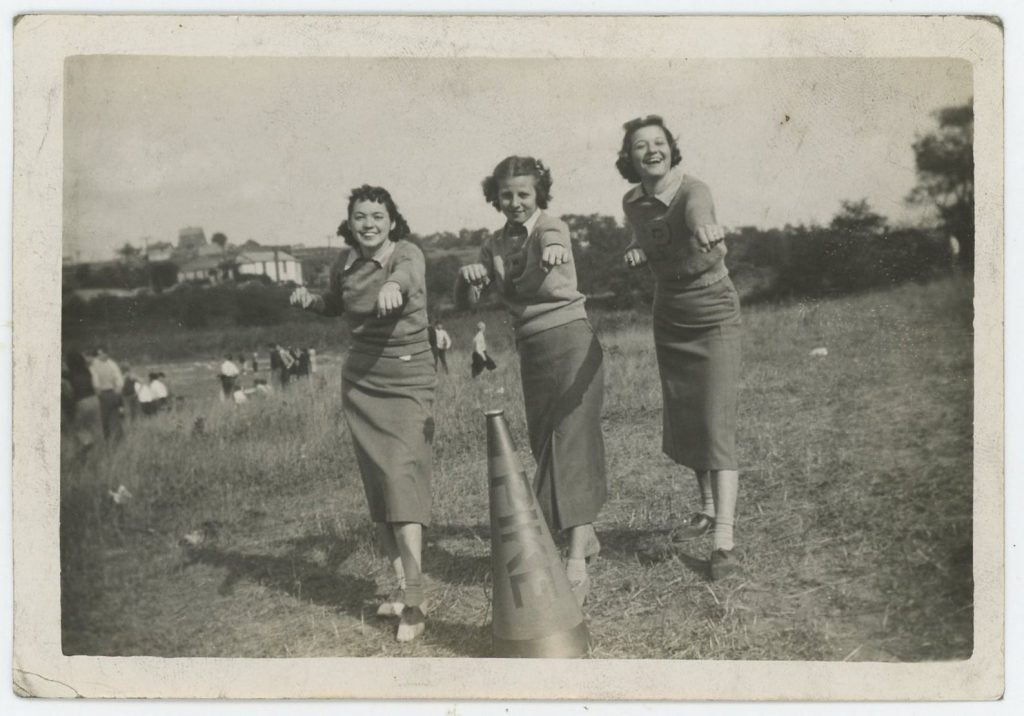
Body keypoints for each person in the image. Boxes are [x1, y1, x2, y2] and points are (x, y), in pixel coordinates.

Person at [457, 156, 606, 606]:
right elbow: (466, 304)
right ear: (495, 197)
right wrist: (468, 277)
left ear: (539, 193)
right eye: (507, 195)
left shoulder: (550, 227)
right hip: (532, 351)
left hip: (573, 342)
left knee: (571, 442)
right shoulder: (494, 245)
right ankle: (587, 535)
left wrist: (557, 250)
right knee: (546, 442)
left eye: (524, 193)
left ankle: (576, 562)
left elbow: (556, 241)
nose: (516, 202)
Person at [290, 185, 435, 642]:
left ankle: (415, 601)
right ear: (349, 223)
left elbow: (407, 276)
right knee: (381, 496)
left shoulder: (406, 254)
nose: (369, 224)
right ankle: (403, 589)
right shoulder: (346, 262)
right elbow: (334, 304)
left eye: (377, 216)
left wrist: (392, 285)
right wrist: (308, 300)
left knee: (401, 483)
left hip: (407, 378)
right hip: (361, 385)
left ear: (392, 220)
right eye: (360, 217)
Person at [617, 115, 742, 580]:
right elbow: (645, 236)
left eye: (659, 142)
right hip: (669, 314)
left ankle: (724, 542)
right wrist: (635, 249)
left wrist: (708, 230)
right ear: (629, 159)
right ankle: (706, 507)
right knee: (688, 414)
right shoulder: (633, 201)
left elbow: (699, 219)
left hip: (712, 310)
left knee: (715, 421)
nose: (651, 151)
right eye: (640, 146)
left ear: (671, 148)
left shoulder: (694, 191)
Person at [65, 351, 102, 452]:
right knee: (95, 425)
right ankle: (99, 452)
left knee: (78, 427)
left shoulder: (70, 374)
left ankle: (87, 442)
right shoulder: (87, 371)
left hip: (81, 401)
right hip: (94, 400)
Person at [90, 346, 124, 442]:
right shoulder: (108, 364)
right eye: (99, 354)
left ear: (106, 353)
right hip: (107, 393)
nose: (101, 356)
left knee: (107, 418)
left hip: (108, 393)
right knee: (110, 418)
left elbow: (119, 379)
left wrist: (118, 389)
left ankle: (113, 439)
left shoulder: (108, 364)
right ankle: (113, 439)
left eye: (102, 353)